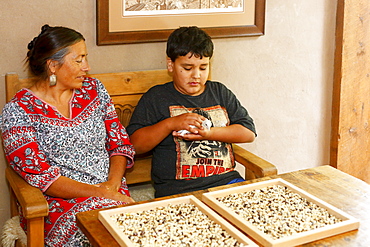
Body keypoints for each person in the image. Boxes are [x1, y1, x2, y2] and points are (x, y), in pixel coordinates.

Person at [0, 25, 135, 246]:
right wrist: (100, 193)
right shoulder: (18, 111)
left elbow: (119, 142)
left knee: (132, 230)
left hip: (112, 191)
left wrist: (112, 185)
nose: (87, 67)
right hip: (58, 203)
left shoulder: (94, 90)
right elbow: (44, 177)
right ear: (53, 65)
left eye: (86, 58)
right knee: (97, 234)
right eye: (79, 60)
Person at [127, 26, 256, 198]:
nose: (196, 75)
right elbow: (134, 145)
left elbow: (248, 133)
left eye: (203, 68)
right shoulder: (156, 97)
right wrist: (170, 124)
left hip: (226, 183)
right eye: (188, 68)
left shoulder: (219, 92)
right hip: (177, 191)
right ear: (170, 64)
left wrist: (209, 134)